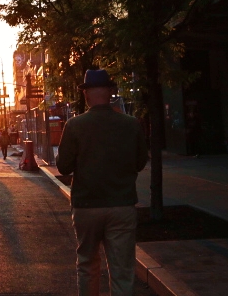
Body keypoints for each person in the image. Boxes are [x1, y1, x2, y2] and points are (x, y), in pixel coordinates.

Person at [57, 69, 148, 296]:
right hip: (122, 204)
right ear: (110, 92)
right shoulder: (130, 124)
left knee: (87, 263)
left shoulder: (75, 125)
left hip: (86, 205)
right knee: (122, 269)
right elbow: (139, 162)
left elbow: (63, 166)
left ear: (86, 94)